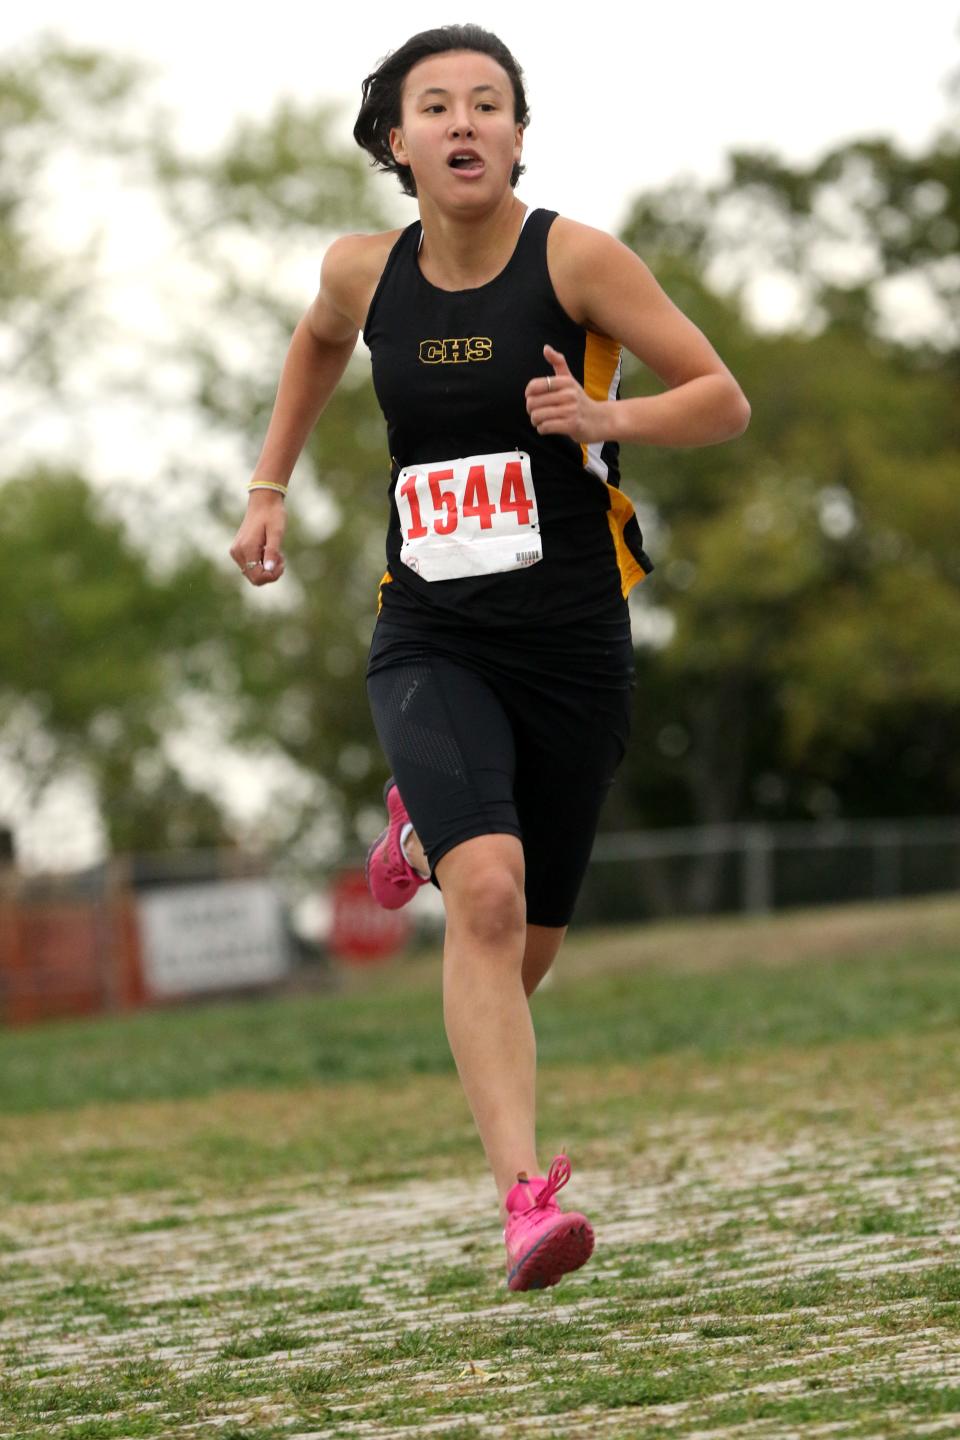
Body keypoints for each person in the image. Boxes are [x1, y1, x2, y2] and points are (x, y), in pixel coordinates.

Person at [230, 23, 750, 1292]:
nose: (463, 124)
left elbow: (721, 397)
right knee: (490, 898)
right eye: (436, 107)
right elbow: (311, 346)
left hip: (575, 647)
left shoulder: (576, 259)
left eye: (488, 105)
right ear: (395, 141)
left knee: (523, 955)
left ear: (520, 133)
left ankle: (421, 822)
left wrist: (603, 413)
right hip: (432, 635)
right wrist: (267, 489)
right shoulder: (363, 274)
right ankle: (525, 1200)